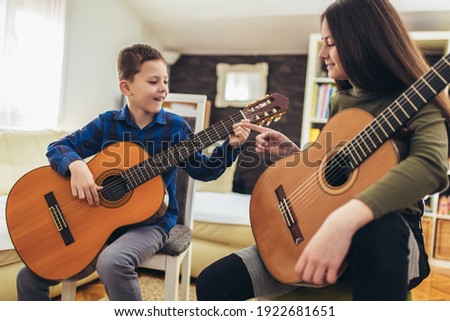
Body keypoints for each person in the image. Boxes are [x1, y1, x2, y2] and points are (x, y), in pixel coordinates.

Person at [196, 0, 450, 301]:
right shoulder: (340, 101)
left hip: (387, 241)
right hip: (318, 228)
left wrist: (346, 220)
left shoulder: (421, 102)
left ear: (362, 42)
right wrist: (294, 154)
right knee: (213, 283)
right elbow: (335, 165)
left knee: (381, 227)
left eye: (330, 43)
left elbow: (430, 167)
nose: (321, 53)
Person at [16, 44, 250, 301]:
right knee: (27, 277)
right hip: (94, 223)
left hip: (151, 225)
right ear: (126, 87)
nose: (163, 88)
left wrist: (231, 146)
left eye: (165, 81)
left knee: (112, 261)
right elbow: (58, 147)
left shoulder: (175, 128)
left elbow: (205, 171)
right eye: (153, 81)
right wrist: (76, 165)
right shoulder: (107, 123)